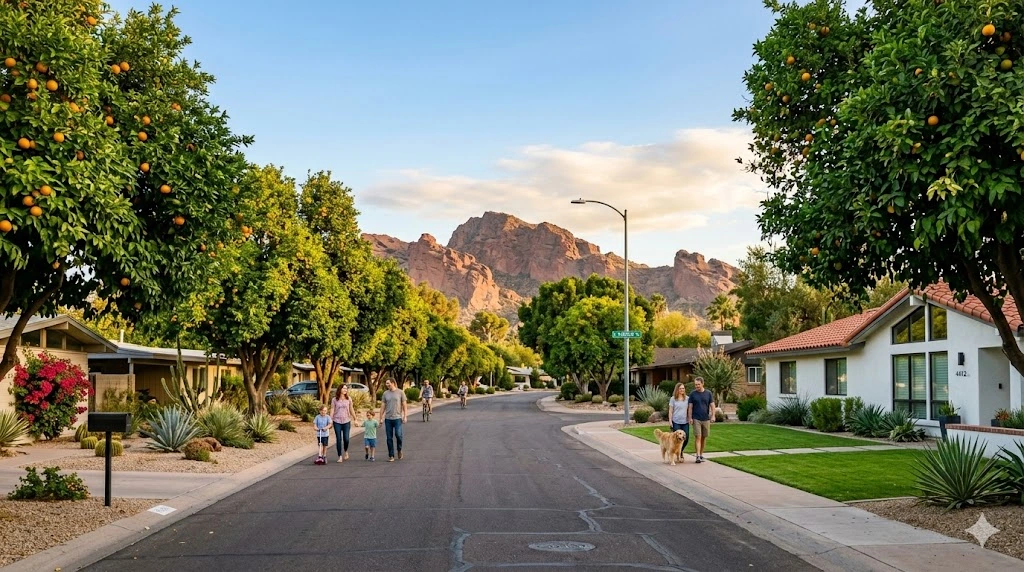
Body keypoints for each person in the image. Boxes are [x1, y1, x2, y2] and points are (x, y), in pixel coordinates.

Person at [686, 377, 716, 464]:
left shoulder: (708, 393)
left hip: (706, 419)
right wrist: (690, 418)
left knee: (704, 437)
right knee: (698, 437)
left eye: (698, 384)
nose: (697, 386)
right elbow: (690, 407)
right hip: (696, 418)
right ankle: (697, 456)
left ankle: (701, 454)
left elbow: (712, 405)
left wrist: (713, 416)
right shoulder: (693, 394)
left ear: (703, 384)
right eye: (695, 384)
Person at [378, 379, 407, 462]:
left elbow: (404, 405)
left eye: (388, 383)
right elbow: (382, 406)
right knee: (389, 438)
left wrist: (405, 416)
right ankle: (391, 455)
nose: (387, 385)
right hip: (388, 419)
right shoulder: (385, 394)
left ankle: (399, 449)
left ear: (393, 383)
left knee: (398, 435)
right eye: (386, 383)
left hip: (397, 418)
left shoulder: (400, 392)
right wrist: (380, 418)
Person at [330, 384, 356, 463]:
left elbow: (351, 409)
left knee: (346, 439)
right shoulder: (334, 399)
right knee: (338, 439)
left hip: (346, 421)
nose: (345, 390)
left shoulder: (349, 399)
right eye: (344, 388)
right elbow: (332, 409)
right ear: (340, 389)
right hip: (336, 421)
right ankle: (340, 456)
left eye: (346, 389)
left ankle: (346, 450)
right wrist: (330, 420)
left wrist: (355, 419)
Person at [667, 382, 690, 463]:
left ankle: (680, 451)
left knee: (685, 439)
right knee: (675, 439)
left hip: (685, 421)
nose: (682, 390)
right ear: (677, 389)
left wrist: (690, 418)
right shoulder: (673, 399)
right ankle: (676, 454)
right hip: (676, 421)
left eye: (683, 388)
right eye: (680, 388)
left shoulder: (687, 398)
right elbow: (670, 411)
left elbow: (689, 410)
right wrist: (670, 421)